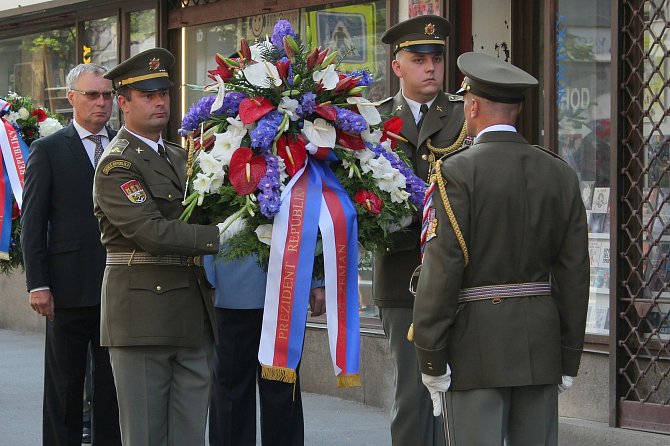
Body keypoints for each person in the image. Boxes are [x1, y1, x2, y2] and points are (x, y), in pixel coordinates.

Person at [413, 52, 590, 445]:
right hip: (541, 347)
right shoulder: (559, 172)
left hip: (475, 348)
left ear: (472, 107)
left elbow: (442, 269)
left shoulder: (455, 172)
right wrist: (569, 352)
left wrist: (430, 354)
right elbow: (575, 272)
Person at [92, 48, 222, 445]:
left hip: (190, 313)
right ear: (123, 103)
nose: (160, 101)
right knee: (146, 435)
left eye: (164, 92)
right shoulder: (117, 164)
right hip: (142, 316)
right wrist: (220, 235)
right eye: (148, 95)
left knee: (188, 435)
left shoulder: (181, 156)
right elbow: (150, 231)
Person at [374, 14, 465, 446]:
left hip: (460, 273)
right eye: (418, 58)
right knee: (411, 393)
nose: (430, 67)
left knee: (459, 395)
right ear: (397, 66)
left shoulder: (467, 115)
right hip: (400, 273)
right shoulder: (371, 123)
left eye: (436, 58)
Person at [21, 63, 121, 446]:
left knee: (112, 387)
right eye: (93, 95)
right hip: (66, 290)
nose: (101, 103)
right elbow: (33, 223)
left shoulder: (124, 145)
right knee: (65, 386)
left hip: (119, 288)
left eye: (107, 95)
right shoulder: (48, 151)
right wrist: (38, 284)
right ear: (71, 98)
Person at [205, 253, 325, 446]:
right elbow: (204, 223)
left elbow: (311, 224)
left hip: (286, 289)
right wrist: (207, 277)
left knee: (283, 393)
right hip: (231, 286)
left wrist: (316, 279)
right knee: (231, 392)